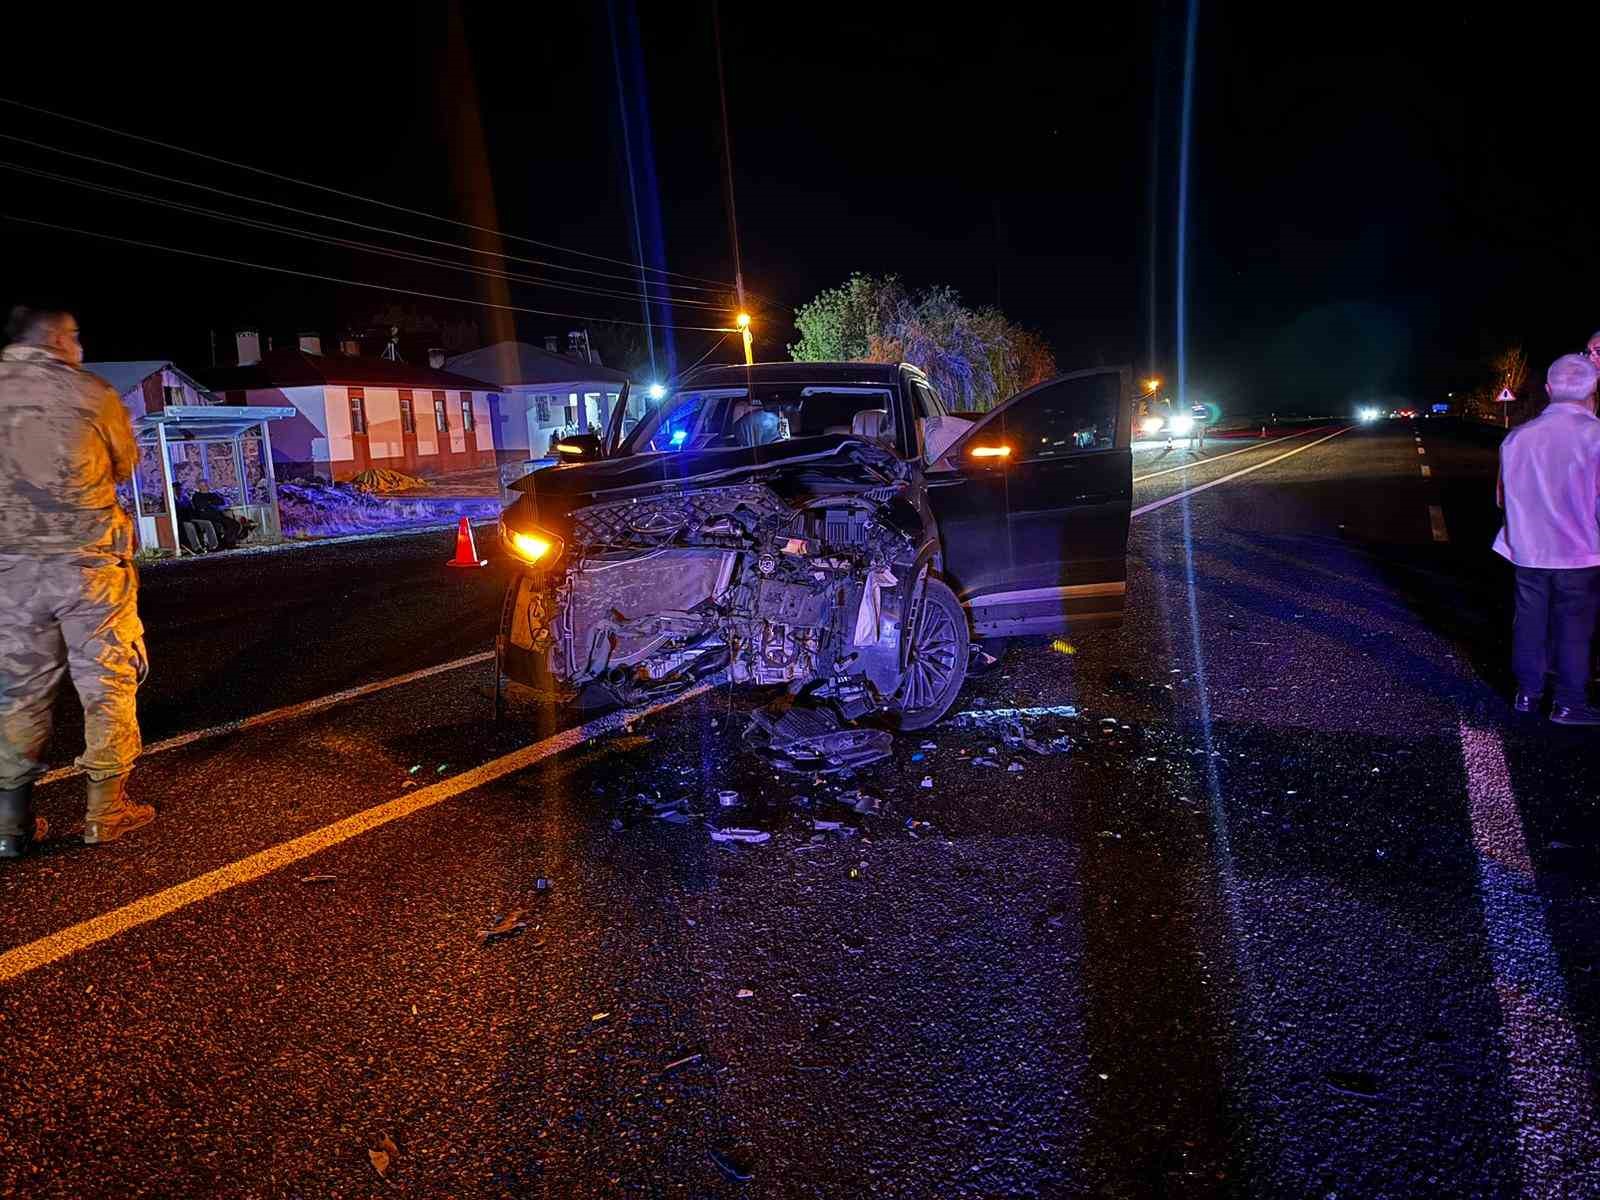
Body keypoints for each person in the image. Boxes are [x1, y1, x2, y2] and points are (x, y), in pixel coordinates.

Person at [0, 306, 156, 855]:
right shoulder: (90, 394)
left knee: (16, 692)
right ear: (60, 340)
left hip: (9, 571)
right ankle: (105, 813)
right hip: (88, 566)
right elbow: (122, 464)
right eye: (76, 337)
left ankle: (10, 828)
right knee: (107, 684)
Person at [1493, 352, 1600, 723]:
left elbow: (1501, 499)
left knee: (1529, 620)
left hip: (1527, 552)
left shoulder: (1516, 439)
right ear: (1593, 388)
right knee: (1574, 626)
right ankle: (1570, 702)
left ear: (1549, 388)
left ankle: (1526, 694)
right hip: (1580, 552)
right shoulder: (1596, 436)